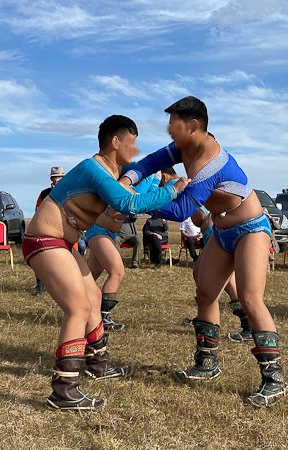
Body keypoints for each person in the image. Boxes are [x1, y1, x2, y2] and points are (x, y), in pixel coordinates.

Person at [122, 96, 286, 407]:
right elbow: (149, 163)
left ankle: (274, 378)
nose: (169, 132)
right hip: (222, 231)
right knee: (206, 292)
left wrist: (135, 203)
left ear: (193, 126)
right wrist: (126, 180)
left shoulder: (211, 164)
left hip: (251, 228)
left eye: (174, 126)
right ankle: (207, 363)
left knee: (250, 297)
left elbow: (182, 208)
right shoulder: (183, 148)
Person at [25, 115, 189, 411]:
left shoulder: (114, 171)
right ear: (116, 141)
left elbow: (147, 168)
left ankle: (98, 363)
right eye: (132, 143)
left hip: (64, 242)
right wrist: (173, 189)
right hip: (44, 240)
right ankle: (63, 389)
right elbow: (129, 203)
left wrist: (181, 152)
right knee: (78, 307)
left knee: (92, 297)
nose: (135, 151)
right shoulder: (94, 169)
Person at [86, 169, 170, 332]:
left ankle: (79, 307)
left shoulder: (129, 190)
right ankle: (103, 318)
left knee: (90, 276)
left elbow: (147, 196)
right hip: (100, 231)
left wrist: (154, 178)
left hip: (103, 231)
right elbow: (144, 197)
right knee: (117, 272)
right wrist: (155, 176)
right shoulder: (125, 190)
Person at [192, 208, 252, 342]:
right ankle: (204, 316)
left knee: (229, 282)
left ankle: (249, 325)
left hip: (221, 234)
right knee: (198, 273)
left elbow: (194, 215)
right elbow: (197, 218)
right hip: (213, 234)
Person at [32, 167, 65, 296]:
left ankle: (64, 284)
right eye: (56, 177)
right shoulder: (44, 193)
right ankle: (40, 283)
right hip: (47, 227)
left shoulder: (69, 191)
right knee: (41, 254)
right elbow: (38, 210)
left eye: (61, 176)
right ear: (52, 179)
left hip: (65, 228)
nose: (58, 179)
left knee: (71, 255)